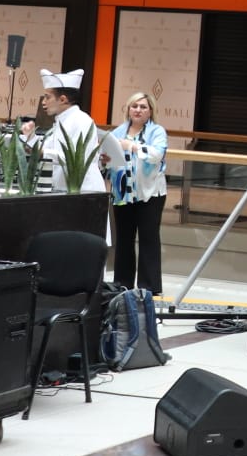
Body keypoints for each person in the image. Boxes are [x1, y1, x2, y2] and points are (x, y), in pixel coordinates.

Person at [107, 92, 168, 294]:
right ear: (128, 109)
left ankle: (149, 287)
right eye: (134, 106)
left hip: (150, 194)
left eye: (143, 107)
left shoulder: (157, 132)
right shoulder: (117, 133)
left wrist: (132, 146)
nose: (138, 110)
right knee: (124, 239)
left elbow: (156, 155)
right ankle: (122, 284)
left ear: (150, 111)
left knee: (149, 238)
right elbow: (107, 161)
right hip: (123, 194)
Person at [21, 68, 105, 195]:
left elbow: (76, 159)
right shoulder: (59, 122)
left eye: (47, 97)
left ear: (62, 100)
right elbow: (46, 149)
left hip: (85, 190)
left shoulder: (81, 120)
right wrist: (30, 138)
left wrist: (42, 152)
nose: (43, 102)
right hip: (65, 190)